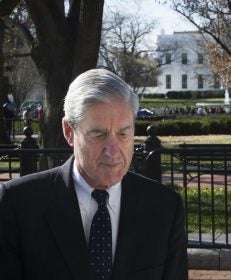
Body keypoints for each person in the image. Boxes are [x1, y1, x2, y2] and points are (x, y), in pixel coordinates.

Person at [0, 68, 188, 280]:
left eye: (123, 133)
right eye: (98, 134)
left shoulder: (164, 207)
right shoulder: (18, 204)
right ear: (69, 132)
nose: (113, 151)